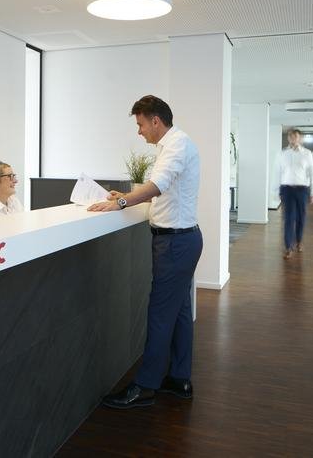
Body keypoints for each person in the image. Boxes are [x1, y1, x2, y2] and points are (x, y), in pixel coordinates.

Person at [88, 95, 203, 409]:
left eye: (140, 124)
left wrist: (122, 202)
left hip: (175, 244)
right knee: (178, 312)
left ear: (156, 120)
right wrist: (125, 194)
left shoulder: (176, 145)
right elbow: (164, 192)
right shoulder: (172, 145)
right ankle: (179, 379)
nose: (139, 132)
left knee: (160, 315)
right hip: (181, 240)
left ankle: (145, 386)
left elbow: (157, 185)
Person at [274, 128, 313, 259]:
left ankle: (299, 241)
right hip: (287, 189)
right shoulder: (282, 154)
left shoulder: (308, 154)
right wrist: (276, 190)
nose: (293, 139)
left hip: (302, 190)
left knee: (301, 217)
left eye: (295, 136)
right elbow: (277, 172)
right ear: (288, 138)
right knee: (288, 218)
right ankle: (288, 247)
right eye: (291, 137)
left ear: (300, 138)